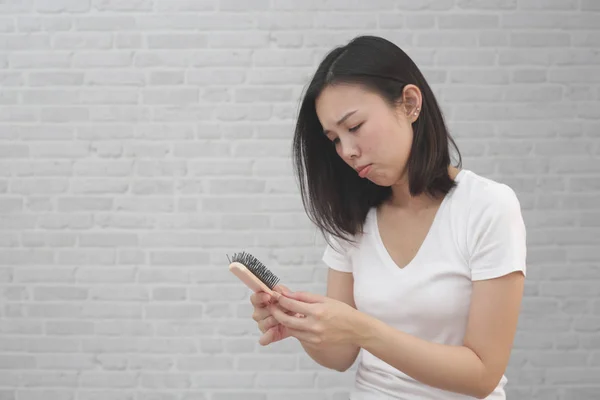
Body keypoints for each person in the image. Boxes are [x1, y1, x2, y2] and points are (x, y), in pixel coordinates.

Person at [249, 35, 526, 400]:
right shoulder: (353, 218)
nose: (346, 151)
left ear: (410, 103)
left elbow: (482, 375)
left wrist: (363, 330)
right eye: (334, 139)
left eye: (355, 127)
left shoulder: (487, 206)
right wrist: (300, 324)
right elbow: (340, 355)